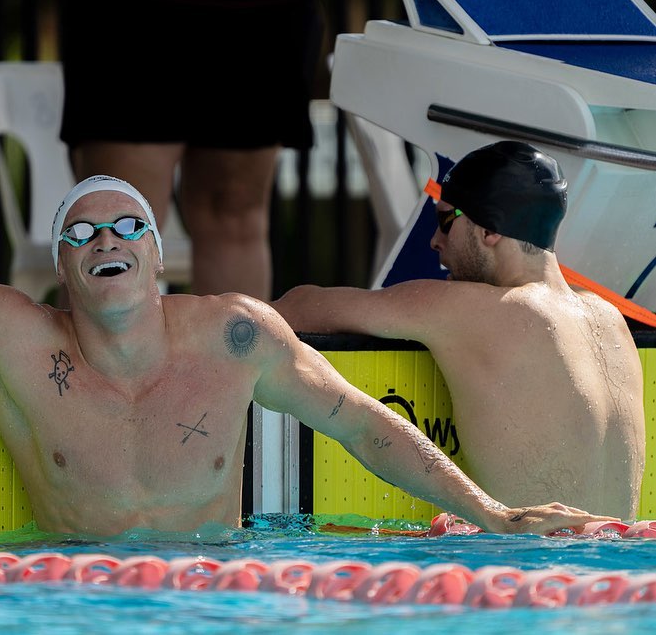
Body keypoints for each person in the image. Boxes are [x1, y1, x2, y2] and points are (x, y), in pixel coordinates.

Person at [0, 174, 612, 538]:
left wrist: (494, 516)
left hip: (216, 592)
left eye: (126, 228)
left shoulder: (235, 335)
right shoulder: (9, 329)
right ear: (63, 268)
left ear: (158, 260)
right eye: (80, 234)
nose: (105, 241)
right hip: (68, 595)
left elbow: (362, 424)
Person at [272, 141, 646, 520]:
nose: (435, 240)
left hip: (527, 568)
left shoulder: (472, 308)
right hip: (618, 567)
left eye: (447, 220)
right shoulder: (612, 321)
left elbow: (301, 307)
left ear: (490, 230)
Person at [58, 0, 325, 299]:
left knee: (233, 217)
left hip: (264, 5)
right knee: (114, 221)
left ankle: (231, 348)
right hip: (133, 3)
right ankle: (84, 350)